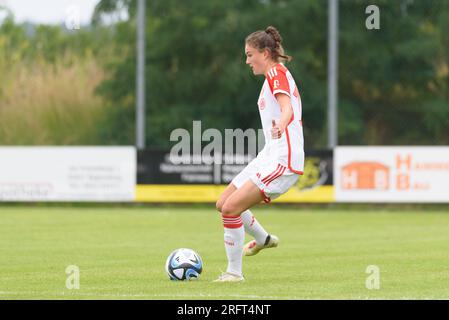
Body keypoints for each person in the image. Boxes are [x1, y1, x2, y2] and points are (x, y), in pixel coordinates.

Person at [214, 26, 305, 282]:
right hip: (269, 155)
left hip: (283, 160)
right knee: (223, 204)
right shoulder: (271, 77)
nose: (247, 61)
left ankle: (234, 273)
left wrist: (283, 123)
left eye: (249, 54)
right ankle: (263, 238)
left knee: (231, 209)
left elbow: (286, 108)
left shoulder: (276, 72)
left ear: (265, 53)